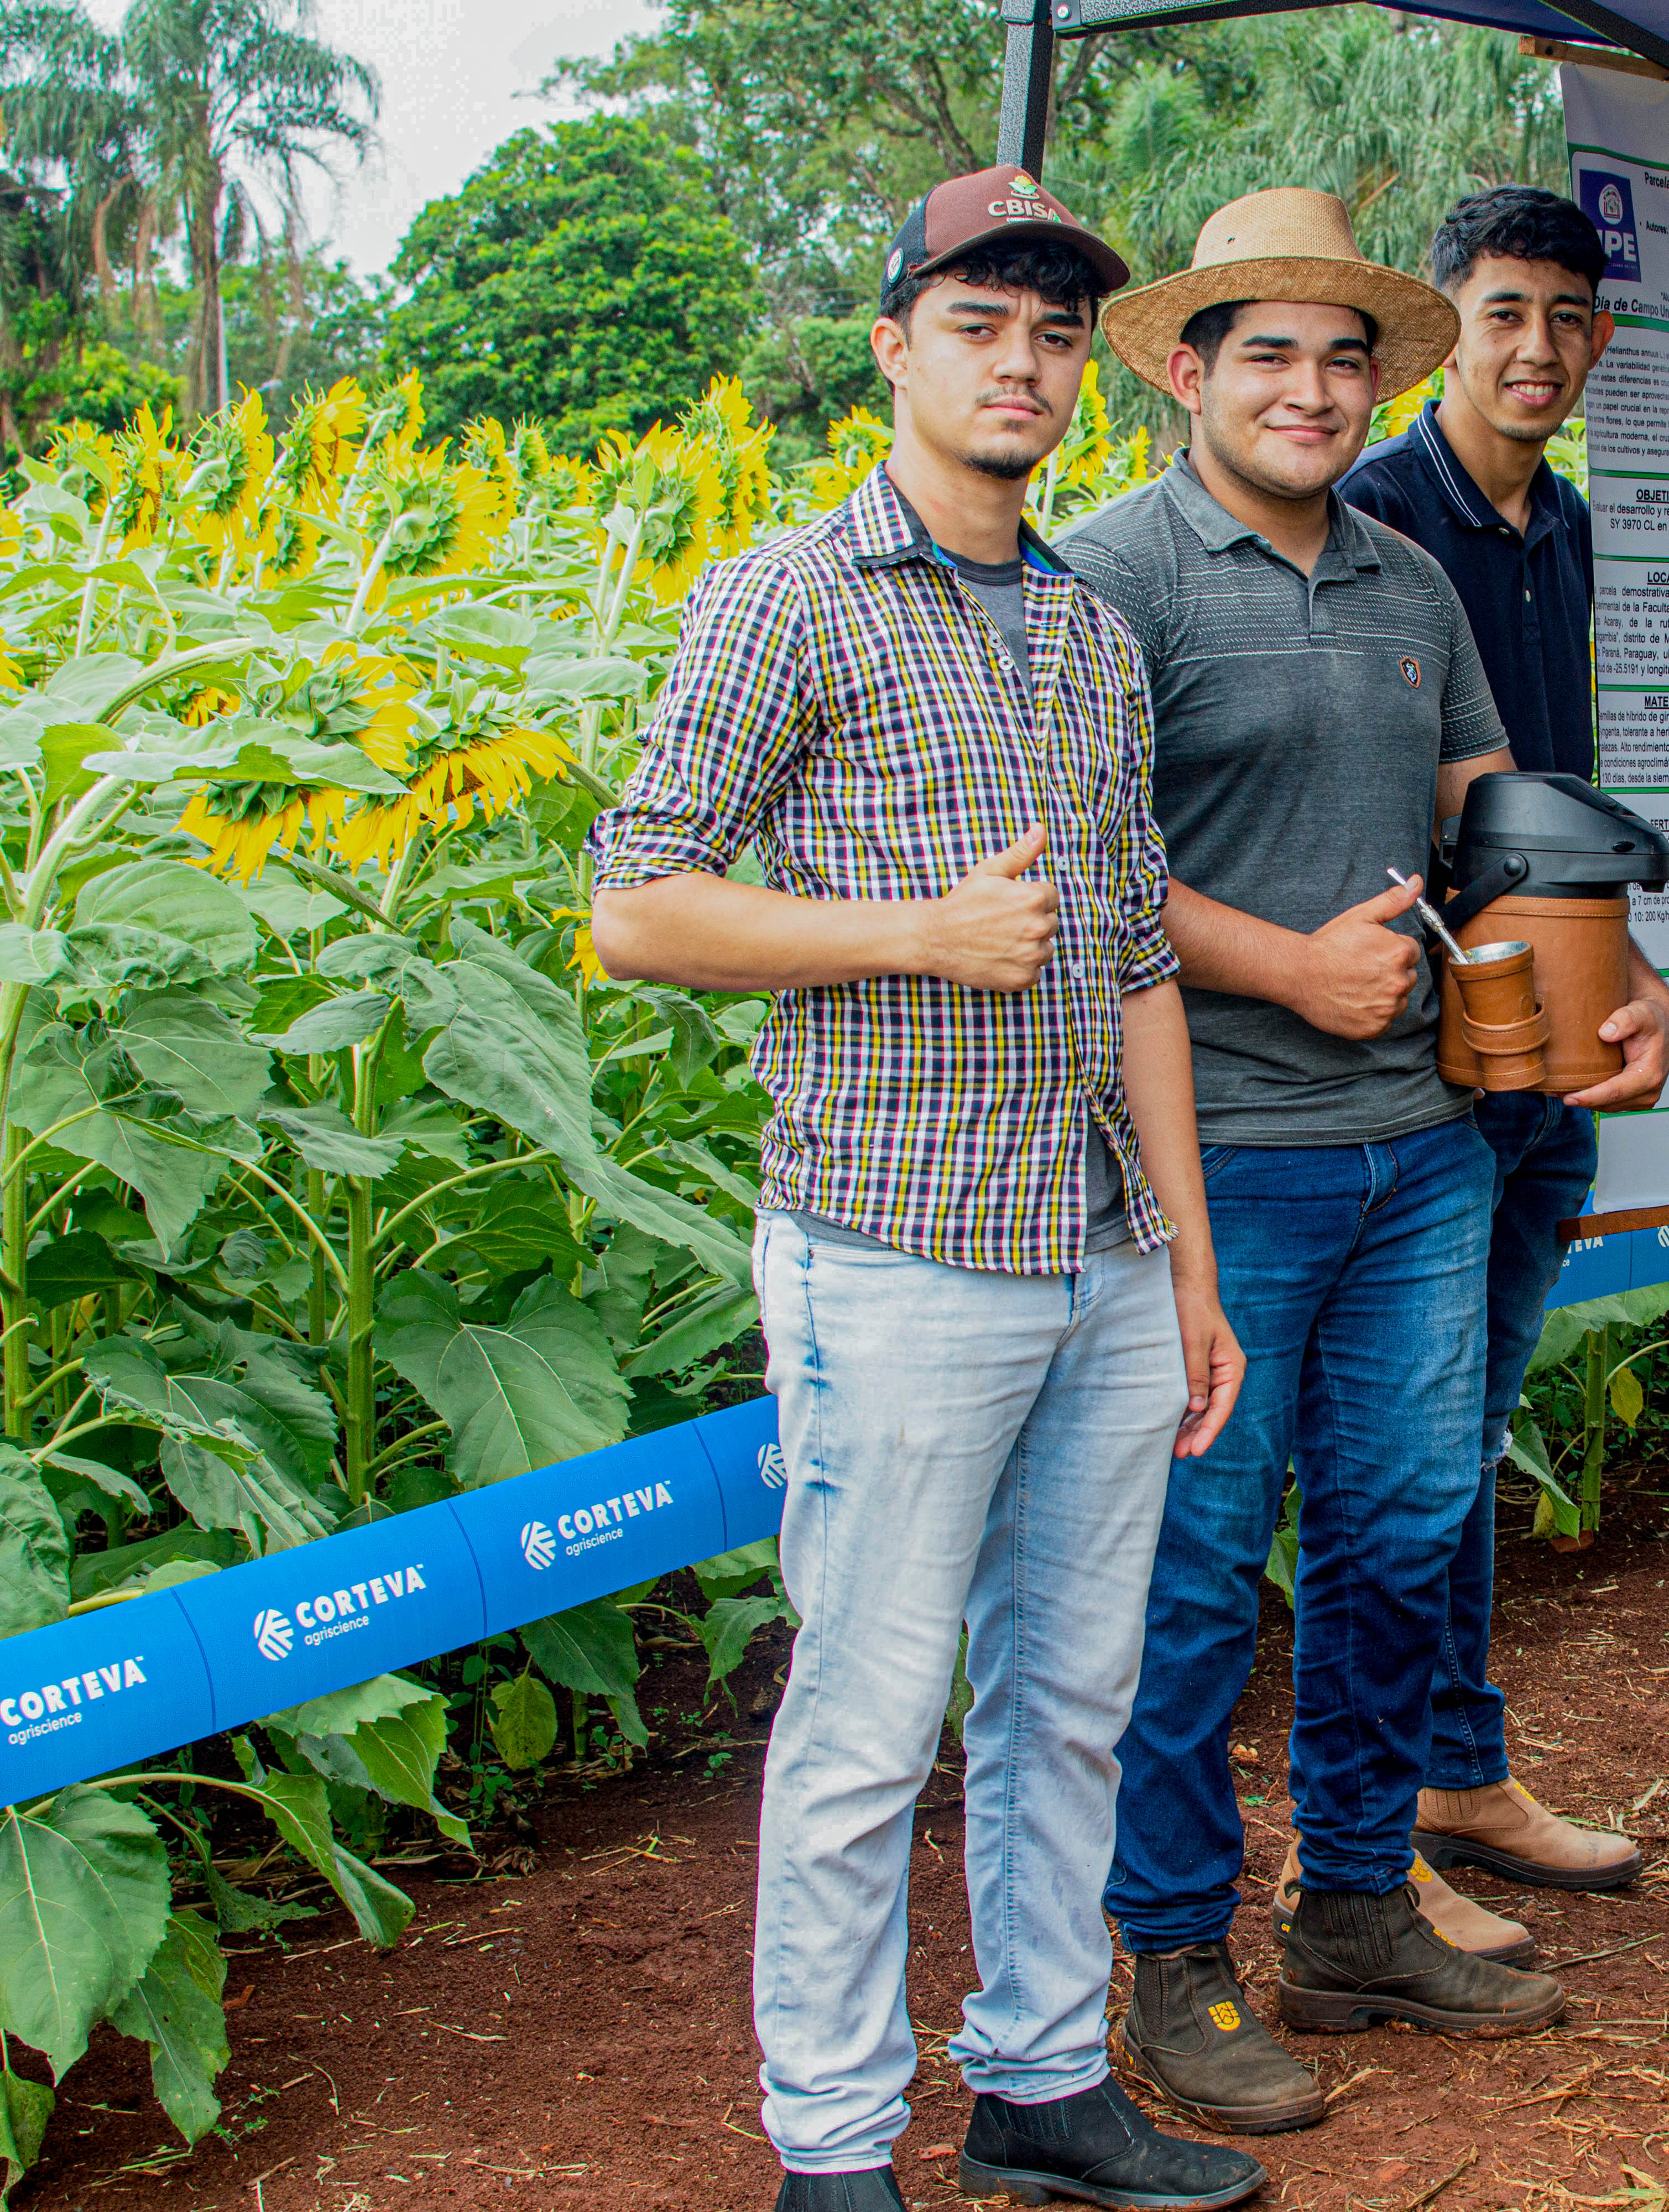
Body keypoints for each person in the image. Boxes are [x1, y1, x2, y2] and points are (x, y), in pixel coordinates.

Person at [585, 169, 1261, 2212]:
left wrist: (1191, 1269)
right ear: (895, 345)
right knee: (869, 1727)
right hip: (894, 1256)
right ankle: (831, 2147)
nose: (1022, 363)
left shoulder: (1085, 628)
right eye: (980, 323)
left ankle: (1044, 2081)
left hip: (1097, 1258)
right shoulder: (783, 596)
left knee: (1071, 1698)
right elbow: (634, 912)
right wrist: (909, 935)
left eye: (1055, 333)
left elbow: (1135, 954)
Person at [1062, 187, 1669, 2133]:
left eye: (1343, 358)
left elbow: (1491, 809)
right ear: (1185, 371)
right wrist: (1272, 962)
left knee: (1402, 1536)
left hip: (1422, 1149)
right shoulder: (1111, 582)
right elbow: (1079, 869)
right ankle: (1167, 1953)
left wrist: (1617, 964)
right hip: (1212, 1161)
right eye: (1269, 354)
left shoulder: (1409, 579)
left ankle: (1344, 1912)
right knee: (1193, 1576)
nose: (1313, 391)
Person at [1333, 185, 1663, 1958]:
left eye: (1568, 316)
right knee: (1405, 1459)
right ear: (1446, 328)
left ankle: (1457, 1769)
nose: (1537, 348)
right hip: (1417, 1068)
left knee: (1465, 1436)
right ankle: (1379, 1830)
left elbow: (1565, 815)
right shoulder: (1373, 515)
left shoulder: (1571, 529)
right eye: (1505, 312)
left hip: (1549, 1055)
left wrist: (1631, 974)